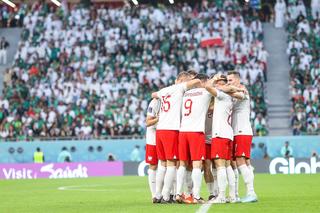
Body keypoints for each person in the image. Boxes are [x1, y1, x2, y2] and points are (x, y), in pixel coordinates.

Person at [152, 71, 201, 203]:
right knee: (172, 164)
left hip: (160, 129)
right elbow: (195, 82)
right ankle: (167, 196)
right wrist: (198, 81)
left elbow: (153, 94)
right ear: (182, 81)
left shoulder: (164, 90)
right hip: (171, 130)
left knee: (162, 164)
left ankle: (157, 195)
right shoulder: (179, 88)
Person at [205, 74, 245, 204]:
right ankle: (233, 195)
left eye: (220, 82)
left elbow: (207, 86)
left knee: (219, 165)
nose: (217, 84)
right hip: (228, 134)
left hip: (220, 133)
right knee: (228, 166)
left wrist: (214, 79)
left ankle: (221, 196)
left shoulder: (221, 95)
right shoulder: (229, 96)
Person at [176, 74, 211, 204]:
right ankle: (196, 195)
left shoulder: (186, 94)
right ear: (203, 81)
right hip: (196, 132)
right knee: (197, 164)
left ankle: (179, 194)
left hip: (183, 131)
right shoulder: (205, 92)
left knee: (183, 164)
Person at [227, 71, 258, 203]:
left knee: (240, 161)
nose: (229, 83)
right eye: (227, 81)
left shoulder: (242, 90)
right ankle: (240, 193)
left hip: (242, 130)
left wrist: (221, 88)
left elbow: (236, 94)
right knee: (241, 162)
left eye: (231, 80)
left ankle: (251, 192)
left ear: (238, 81)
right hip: (236, 131)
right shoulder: (234, 91)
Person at [145, 98, 161, 203]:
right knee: (153, 165)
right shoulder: (155, 102)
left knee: (169, 164)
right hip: (153, 138)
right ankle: (154, 195)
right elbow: (148, 122)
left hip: (165, 136)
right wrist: (159, 119)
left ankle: (167, 194)